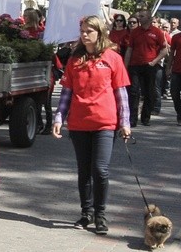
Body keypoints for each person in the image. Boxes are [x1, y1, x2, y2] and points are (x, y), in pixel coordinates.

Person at [52, 15, 131, 235]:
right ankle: (86, 212)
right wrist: (59, 117)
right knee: (84, 171)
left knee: (100, 170)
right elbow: (67, 91)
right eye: (83, 31)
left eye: (89, 31)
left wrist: (125, 122)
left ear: (100, 33)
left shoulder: (112, 58)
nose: (84, 35)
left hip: (105, 122)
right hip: (79, 122)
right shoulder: (75, 59)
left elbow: (121, 93)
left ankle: (100, 214)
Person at [124, 9, 167, 127]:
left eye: (142, 16)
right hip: (135, 65)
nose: (140, 18)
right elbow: (129, 50)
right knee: (133, 92)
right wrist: (125, 66)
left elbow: (164, 50)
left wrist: (154, 62)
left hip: (149, 66)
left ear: (149, 18)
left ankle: (145, 117)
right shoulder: (135, 32)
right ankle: (132, 119)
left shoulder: (157, 32)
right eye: (139, 16)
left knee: (149, 92)